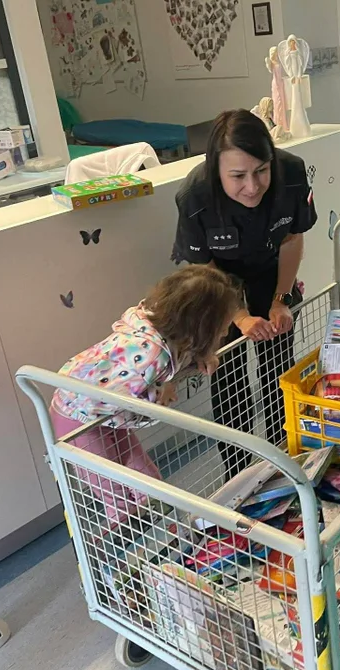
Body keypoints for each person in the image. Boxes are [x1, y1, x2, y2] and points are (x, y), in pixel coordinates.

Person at [172, 109, 317, 478]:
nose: (252, 187)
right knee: (229, 377)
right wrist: (238, 316)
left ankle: (284, 459)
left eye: (261, 171)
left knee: (278, 365)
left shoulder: (292, 173)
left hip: (271, 271)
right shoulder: (194, 195)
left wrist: (280, 301)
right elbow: (204, 269)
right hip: (218, 282)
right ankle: (238, 474)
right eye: (237, 176)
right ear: (216, 170)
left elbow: (291, 239)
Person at [51, 265, 240, 527]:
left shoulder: (161, 322)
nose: (225, 333)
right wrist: (161, 389)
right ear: (201, 326)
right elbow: (123, 394)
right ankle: (118, 541)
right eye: (222, 327)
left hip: (101, 410)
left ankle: (166, 533)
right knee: (115, 494)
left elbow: (176, 351)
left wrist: (201, 355)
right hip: (76, 414)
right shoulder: (152, 354)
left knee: (149, 484)